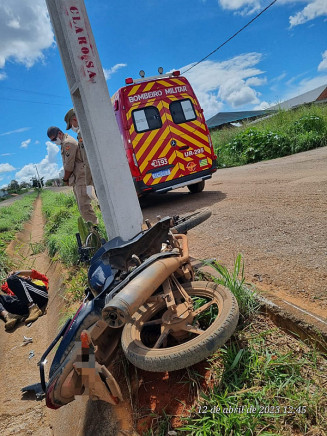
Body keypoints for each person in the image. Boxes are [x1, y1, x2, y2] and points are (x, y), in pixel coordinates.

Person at [47, 126, 98, 226]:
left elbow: (69, 166)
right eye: (52, 140)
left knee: (84, 207)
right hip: (77, 179)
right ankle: (93, 229)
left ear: (60, 134)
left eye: (54, 139)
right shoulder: (64, 143)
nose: (54, 142)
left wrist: (65, 179)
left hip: (81, 178)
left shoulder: (68, 143)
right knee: (82, 207)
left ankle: (95, 229)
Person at [64, 108, 93, 188]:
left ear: (75, 119)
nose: (72, 128)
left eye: (71, 125)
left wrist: (89, 183)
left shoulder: (81, 133)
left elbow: (87, 160)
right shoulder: (92, 125)